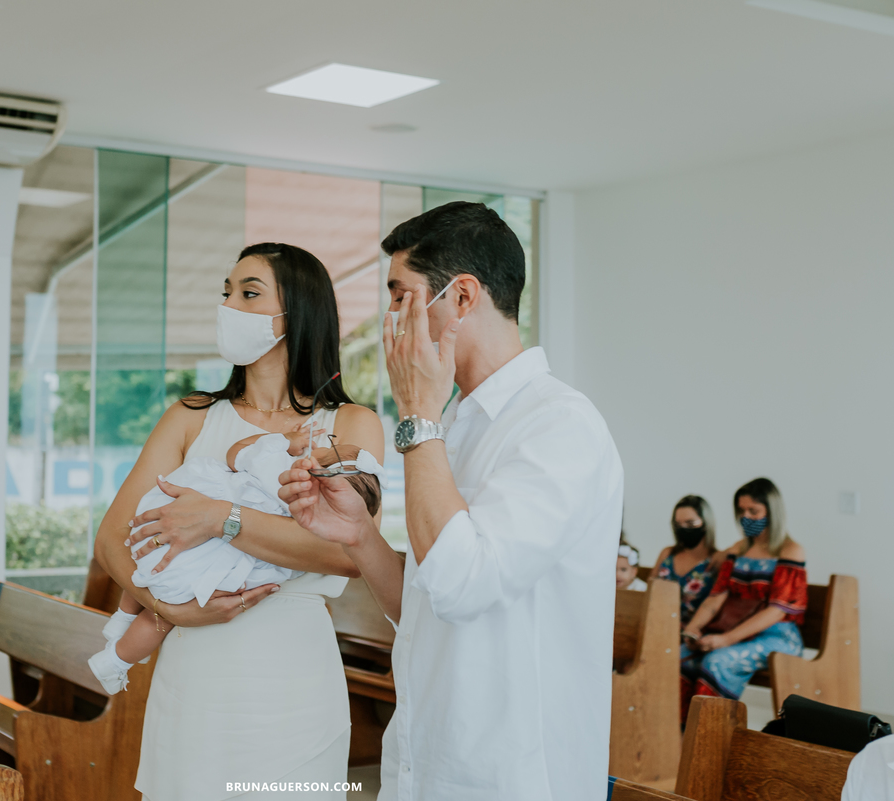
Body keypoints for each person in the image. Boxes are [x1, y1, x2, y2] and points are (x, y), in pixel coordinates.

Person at [279, 201, 624, 801]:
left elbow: (465, 583)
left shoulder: (559, 424)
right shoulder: (456, 422)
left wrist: (416, 415)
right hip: (428, 762)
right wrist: (359, 534)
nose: (389, 319)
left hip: (511, 776)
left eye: (399, 295)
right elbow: (427, 604)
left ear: (462, 298)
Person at [92, 242, 384, 801]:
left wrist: (221, 518)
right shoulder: (190, 417)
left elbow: (348, 552)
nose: (229, 306)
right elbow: (110, 539)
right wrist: (165, 607)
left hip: (294, 672)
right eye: (226, 292)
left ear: (298, 312)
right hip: (195, 669)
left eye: (249, 293)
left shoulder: (348, 424)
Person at [88, 426, 383, 695]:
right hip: (216, 560)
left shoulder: (279, 468)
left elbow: (236, 453)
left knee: (152, 562)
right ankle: (115, 660)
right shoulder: (311, 517)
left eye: (321, 452)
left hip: (182, 530)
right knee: (162, 610)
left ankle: (121, 621)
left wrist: (284, 441)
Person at [679, 478, 806, 721]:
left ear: (772, 511)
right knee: (680, 655)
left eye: (753, 511)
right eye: (741, 511)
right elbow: (715, 598)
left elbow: (776, 611)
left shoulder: (790, 551)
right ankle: (677, 732)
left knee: (717, 661)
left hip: (777, 636)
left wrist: (726, 639)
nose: (746, 517)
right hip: (736, 629)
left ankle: (708, 735)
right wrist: (693, 629)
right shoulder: (737, 549)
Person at [652, 495, 719, 624]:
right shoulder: (667, 554)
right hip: (658, 624)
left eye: (690, 523)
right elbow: (650, 590)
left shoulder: (716, 560)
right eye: (678, 524)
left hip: (693, 630)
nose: (683, 529)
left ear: (705, 523)